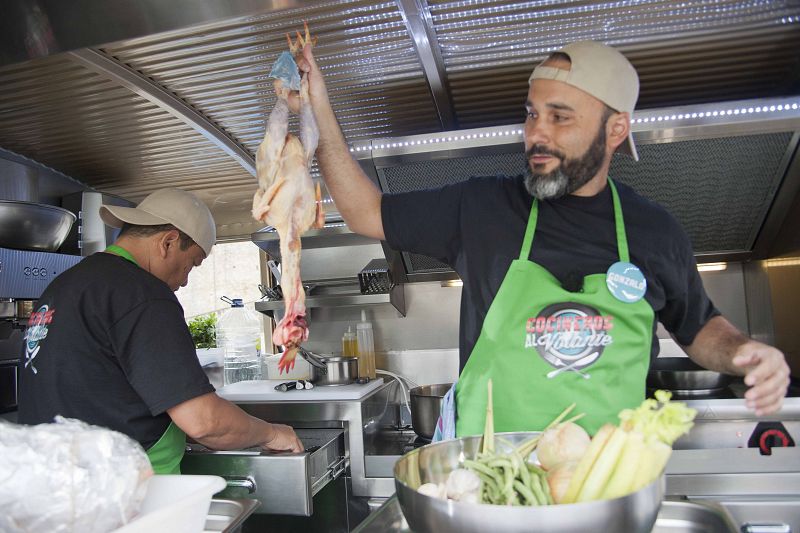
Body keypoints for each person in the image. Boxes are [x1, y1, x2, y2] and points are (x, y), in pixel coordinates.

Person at [286, 39, 790, 436]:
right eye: (531, 113)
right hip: (495, 487)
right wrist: (318, 108)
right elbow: (365, 212)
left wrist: (747, 353)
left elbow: (699, 327)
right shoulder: (483, 208)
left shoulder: (654, 230)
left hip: (606, 488)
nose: (535, 134)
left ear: (615, 130)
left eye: (559, 117)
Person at [18, 188, 303, 474]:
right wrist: (272, 433)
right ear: (168, 242)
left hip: (56, 484)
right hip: (129, 489)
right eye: (191, 264)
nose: (185, 281)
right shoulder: (142, 293)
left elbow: (102, 395)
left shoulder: (65, 285)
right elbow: (204, 422)